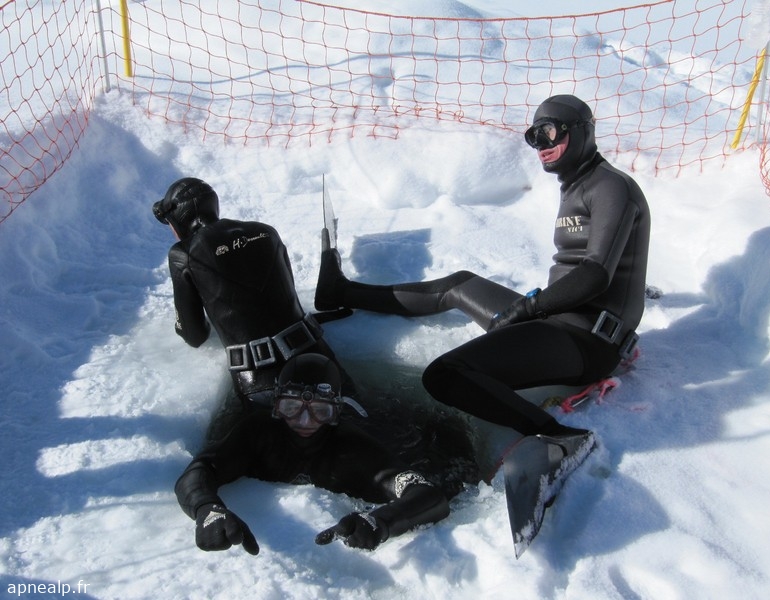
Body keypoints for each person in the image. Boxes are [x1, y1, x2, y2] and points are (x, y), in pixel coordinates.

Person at [314, 94, 650, 481]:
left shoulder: (610, 186)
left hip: (587, 340)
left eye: (549, 132)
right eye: (534, 136)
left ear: (583, 131)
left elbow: (595, 274)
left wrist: (529, 309)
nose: (541, 145)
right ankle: (340, 292)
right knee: (459, 285)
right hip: (558, 320)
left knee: (446, 374)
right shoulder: (576, 186)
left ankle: (556, 436)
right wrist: (533, 311)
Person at [174, 353, 451, 554]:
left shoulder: (352, 448)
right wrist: (206, 509)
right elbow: (202, 469)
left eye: (320, 411)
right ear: (276, 406)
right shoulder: (258, 431)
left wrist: (379, 521)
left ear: (336, 413)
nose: (304, 421)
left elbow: (428, 494)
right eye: (292, 407)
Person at [152, 177, 352, 412]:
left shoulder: (183, 254)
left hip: (260, 379)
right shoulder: (266, 231)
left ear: (178, 219)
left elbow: (194, 335)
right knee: (358, 419)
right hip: (315, 352)